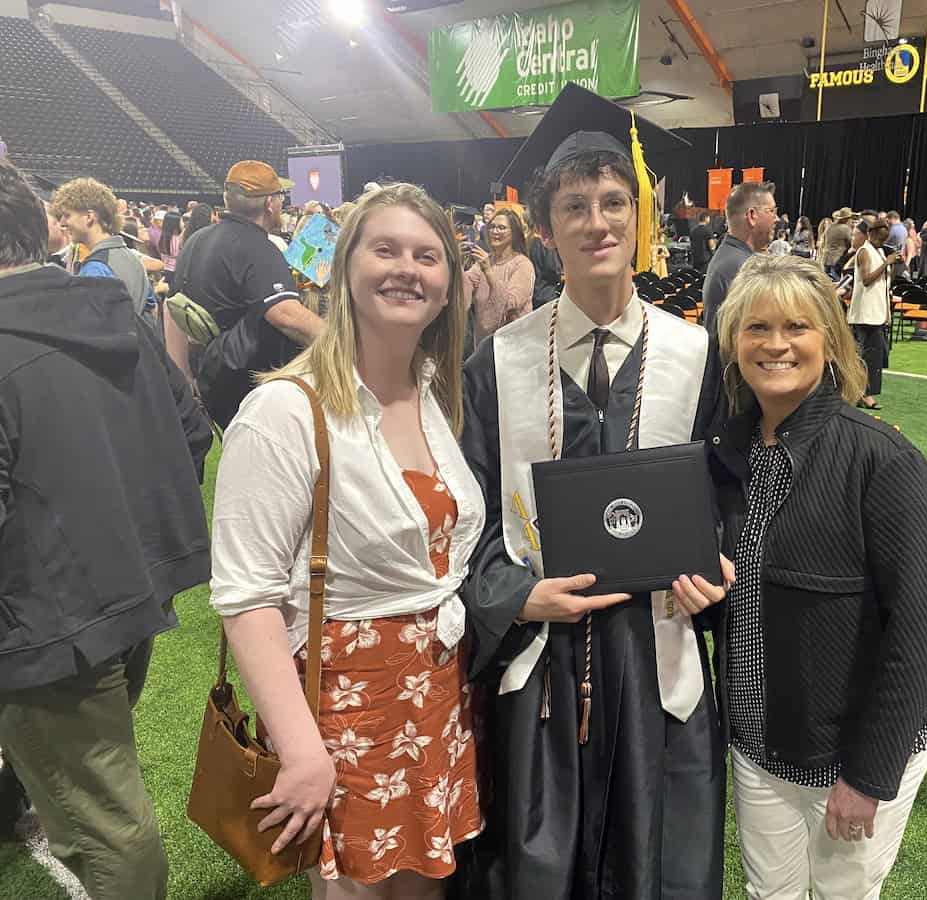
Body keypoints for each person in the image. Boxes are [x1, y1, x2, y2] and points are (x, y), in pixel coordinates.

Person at [459, 84, 731, 900]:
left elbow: (729, 499)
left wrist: (715, 567)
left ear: (639, 217)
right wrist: (516, 596)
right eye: (574, 207)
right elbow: (469, 518)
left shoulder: (697, 355)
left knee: (657, 861)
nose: (597, 222)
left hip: (656, 658)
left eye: (614, 202)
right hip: (543, 662)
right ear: (545, 229)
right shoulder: (497, 365)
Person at [210, 183, 484, 899]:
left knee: (426, 886)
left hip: (437, 697)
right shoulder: (282, 411)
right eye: (385, 249)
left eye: (427, 256)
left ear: (448, 286)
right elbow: (245, 598)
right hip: (343, 709)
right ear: (343, 268)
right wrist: (302, 749)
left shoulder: (435, 390)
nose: (407, 269)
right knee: (357, 891)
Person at [0, 157, 211, 900]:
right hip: (130, 591)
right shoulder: (111, 310)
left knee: (106, 821)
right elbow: (192, 432)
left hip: (50, 621)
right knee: (93, 783)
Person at [709, 254, 927, 900]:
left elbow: (916, 636)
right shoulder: (726, 453)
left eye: (797, 327)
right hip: (757, 743)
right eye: (757, 328)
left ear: (831, 342)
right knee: (769, 893)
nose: (776, 344)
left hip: (849, 755)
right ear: (734, 344)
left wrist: (869, 775)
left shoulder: (883, 460)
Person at [174, 160, 325, 429]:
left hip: (213, 378)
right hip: (251, 385)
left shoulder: (197, 239)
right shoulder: (257, 247)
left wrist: (184, 376)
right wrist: (343, 344)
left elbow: (172, 309)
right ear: (270, 203)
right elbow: (286, 315)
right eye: (280, 196)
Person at [51, 177, 155, 321]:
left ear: (89, 217)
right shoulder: (133, 259)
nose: (62, 223)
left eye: (67, 215)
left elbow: (89, 326)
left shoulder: (95, 268)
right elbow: (151, 308)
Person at [703, 181, 777, 336]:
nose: (776, 219)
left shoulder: (730, 257)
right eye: (771, 211)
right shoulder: (743, 268)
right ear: (752, 216)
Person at [464, 207, 535, 349]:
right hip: (484, 345)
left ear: (514, 233)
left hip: (513, 345)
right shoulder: (486, 261)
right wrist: (458, 262)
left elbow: (509, 303)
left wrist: (489, 272)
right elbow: (463, 290)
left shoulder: (522, 264)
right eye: (492, 227)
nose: (495, 231)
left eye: (501, 228)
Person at [849, 220, 897, 411]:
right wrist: (886, 263)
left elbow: (885, 281)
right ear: (871, 234)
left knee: (875, 356)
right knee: (867, 357)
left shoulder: (879, 252)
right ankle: (864, 395)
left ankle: (861, 393)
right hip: (865, 314)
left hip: (877, 313)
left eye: (884, 239)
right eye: (879, 238)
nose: (881, 241)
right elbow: (867, 279)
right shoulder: (864, 252)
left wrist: (892, 265)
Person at [822, 208, 853, 279]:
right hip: (837, 260)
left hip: (826, 258)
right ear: (846, 219)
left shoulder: (829, 227)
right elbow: (851, 243)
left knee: (826, 279)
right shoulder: (845, 228)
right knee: (837, 281)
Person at [157, 210, 182, 291]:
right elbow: (177, 255)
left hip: (165, 268)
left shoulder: (163, 237)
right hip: (175, 271)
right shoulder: (177, 239)